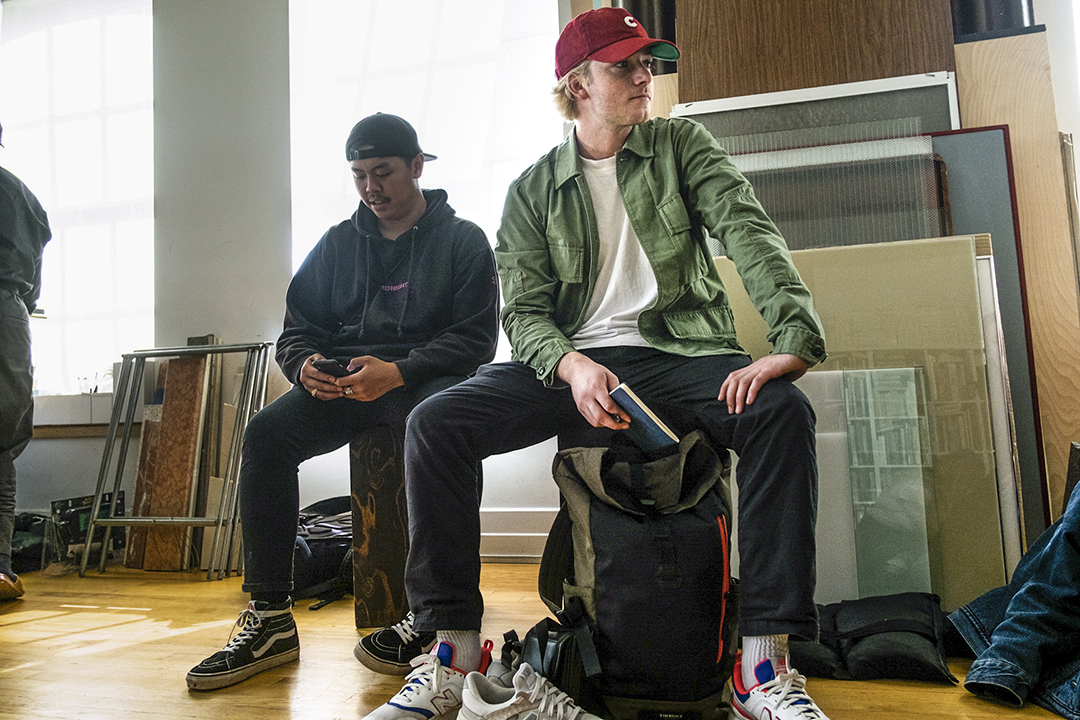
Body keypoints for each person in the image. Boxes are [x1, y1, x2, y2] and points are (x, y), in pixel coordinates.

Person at [362, 8, 831, 720]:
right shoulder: (532, 188)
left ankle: (762, 668)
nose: (646, 76)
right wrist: (573, 366)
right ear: (577, 84)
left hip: (680, 351)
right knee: (436, 422)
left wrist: (793, 338)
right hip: (573, 362)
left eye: (649, 63)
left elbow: (749, 232)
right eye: (626, 66)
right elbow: (522, 312)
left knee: (780, 412)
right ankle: (450, 653)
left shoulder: (682, 146)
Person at [185, 113, 499, 690]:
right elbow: (298, 329)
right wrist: (303, 367)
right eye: (358, 174)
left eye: (383, 172)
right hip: (346, 384)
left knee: (441, 431)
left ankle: (433, 620)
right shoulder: (335, 244)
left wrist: (399, 372)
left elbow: (475, 340)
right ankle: (271, 617)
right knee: (266, 436)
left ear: (417, 167)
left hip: (422, 383)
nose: (371, 187)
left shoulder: (463, 240)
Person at [0, 122, 51, 601]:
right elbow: (36, 275)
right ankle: (0, 567)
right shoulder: (22, 195)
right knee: (4, 440)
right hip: (9, 312)